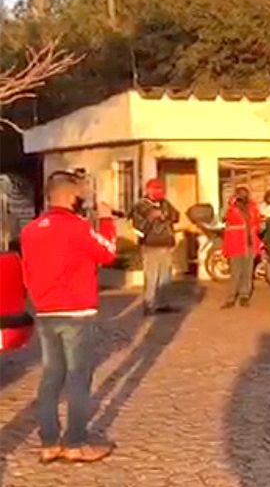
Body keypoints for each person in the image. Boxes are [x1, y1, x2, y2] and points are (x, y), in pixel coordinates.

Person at [20, 170, 118, 463]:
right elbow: (107, 253)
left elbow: (28, 272)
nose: (82, 201)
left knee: (51, 376)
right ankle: (75, 442)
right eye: (80, 196)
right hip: (76, 309)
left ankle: (49, 441)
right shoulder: (77, 226)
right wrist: (107, 221)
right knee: (78, 377)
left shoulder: (31, 229)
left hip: (46, 310)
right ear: (69, 196)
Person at [130, 178, 180, 315]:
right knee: (152, 276)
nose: (160, 191)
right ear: (148, 190)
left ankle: (163, 303)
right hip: (150, 244)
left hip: (166, 243)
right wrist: (156, 216)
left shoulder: (165, 203)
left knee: (165, 277)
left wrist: (163, 214)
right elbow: (147, 218)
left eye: (161, 189)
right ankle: (149, 304)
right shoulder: (141, 204)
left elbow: (176, 215)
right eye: (156, 189)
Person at [223, 185, 261, 309]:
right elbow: (227, 218)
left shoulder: (253, 208)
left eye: (245, 194)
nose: (243, 196)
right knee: (235, 272)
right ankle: (231, 297)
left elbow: (257, 222)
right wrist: (232, 202)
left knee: (248, 272)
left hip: (249, 243)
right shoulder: (231, 209)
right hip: (236, 244)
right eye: (240, 194)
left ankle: (244, 295)